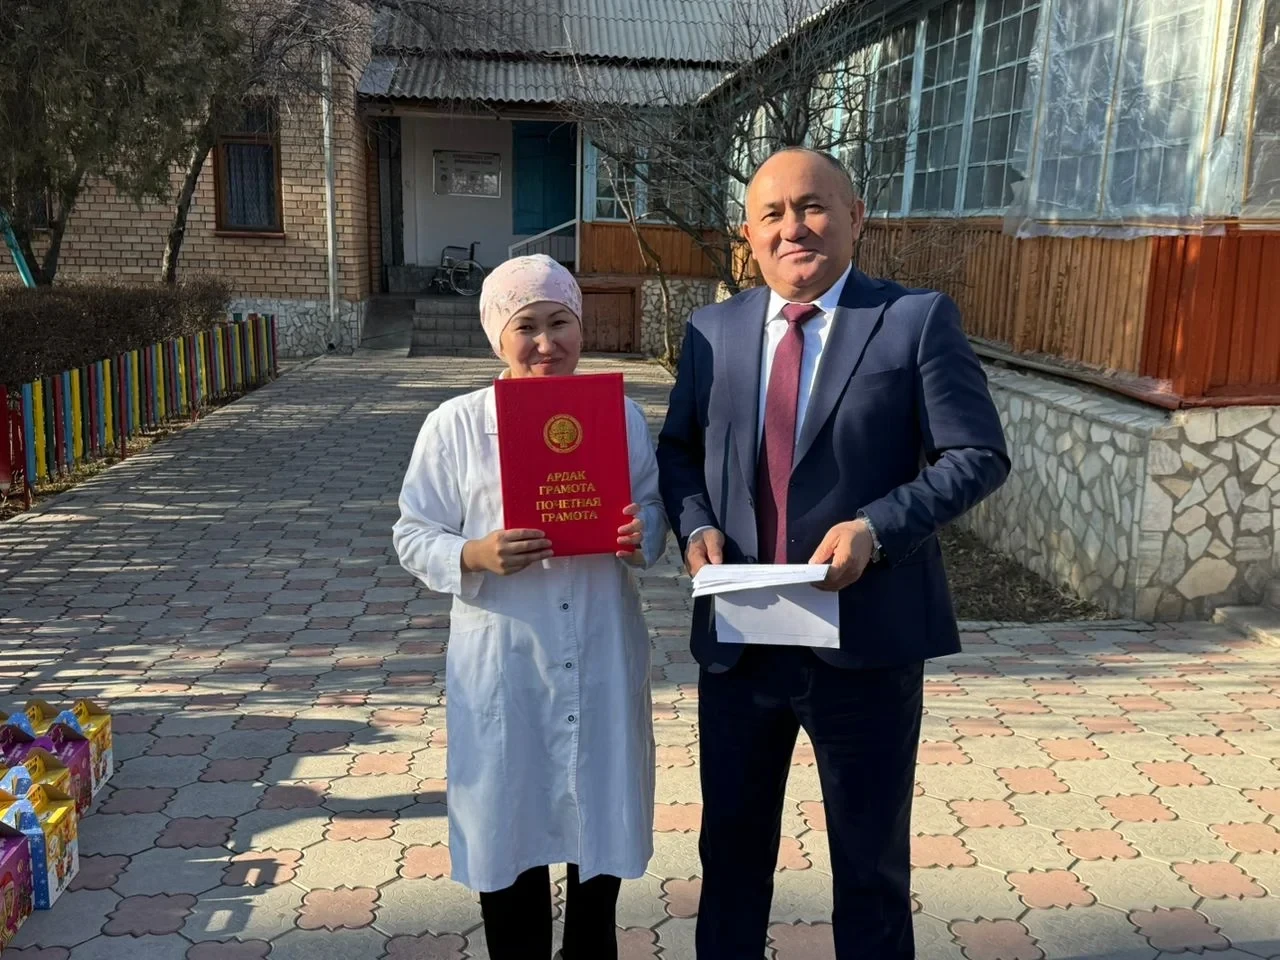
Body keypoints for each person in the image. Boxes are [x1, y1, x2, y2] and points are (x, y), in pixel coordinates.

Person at [655, 148, 1010, 959]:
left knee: (869, 866)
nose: (794, 228)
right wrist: (695, 523)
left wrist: (877, 528)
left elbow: (977, 454)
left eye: (812, 207)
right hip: (742, 644)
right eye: (772, 214)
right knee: (730, 857)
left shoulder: (914, 319)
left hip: (866, 642)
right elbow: (678, 450)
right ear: (748, 234)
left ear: (856, 217)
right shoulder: (712, 331)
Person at [393, 254, 668, 960]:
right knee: (510, 845)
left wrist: (643, 533)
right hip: (506, 661)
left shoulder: (620, 417)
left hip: (601, 647)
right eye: (527, 327)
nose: (546, 343)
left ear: (581, 327)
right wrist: (473, 553)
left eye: (560, 322)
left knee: (597, 855)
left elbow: (653, 507)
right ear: (498, 336)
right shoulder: (455, 425)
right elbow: (413, 532)